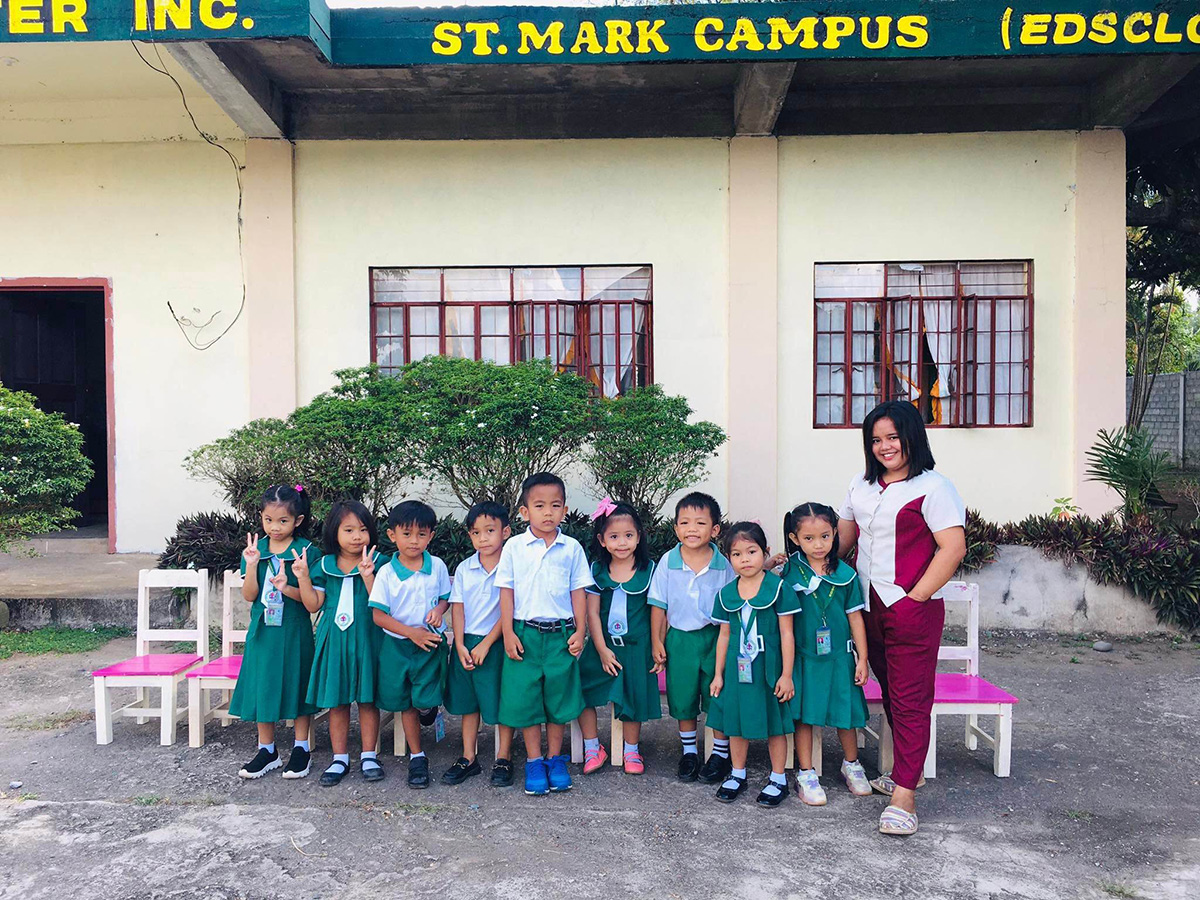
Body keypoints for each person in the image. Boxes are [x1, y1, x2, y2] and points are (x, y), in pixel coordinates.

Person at [838, 400, 966, 835]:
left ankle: (904, 796)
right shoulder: (861, 484)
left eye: (893, 437)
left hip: (911, 608)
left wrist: (915, 598)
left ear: (912, 436)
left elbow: (952, 548)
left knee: (911, 701)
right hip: (867, 608)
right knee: (892, 694)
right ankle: (908, 771)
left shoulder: (934, 487)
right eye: (876, 439)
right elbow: (842, 542)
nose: (884, 447)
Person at [497, 472, 592, 796]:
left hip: (560, 636)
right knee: (525, 701)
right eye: (539, 506)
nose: (548, 512)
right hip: (524, 633)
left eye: (555, 505)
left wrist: (581, 630)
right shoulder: (513, 548)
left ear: (565, 510)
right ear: (524, 512)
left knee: (558, 702)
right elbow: (506, 593)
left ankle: (555, 758)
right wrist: (508, 632)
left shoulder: (572, 548)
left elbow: (578, 591)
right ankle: (534, 761)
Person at [778, 502, 871, 805]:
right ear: (795, 539)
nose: (818, 545)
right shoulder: (789, 572)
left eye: (825, 536)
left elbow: (856, 618)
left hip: (839, 658)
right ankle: (806, 772)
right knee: (804, 715)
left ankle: (852, 764)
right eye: (808, 538)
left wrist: (862, 657)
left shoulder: (845, 574)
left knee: (846, 714)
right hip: (804, 659)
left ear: (835, 535)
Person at [231, 484, 322, 780]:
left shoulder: (307, 551)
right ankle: (267, 749)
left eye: (283, 521)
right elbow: (249, 595)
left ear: (297, 520)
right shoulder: (255, 551)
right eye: (268, 520)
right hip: (263, 629)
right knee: (263, 684)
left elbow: (310, 604)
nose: (274, 527)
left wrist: (291, 585)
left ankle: (300, 748)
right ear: (261, 517)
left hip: (294, 628)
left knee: (297, 681)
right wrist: (253, 564)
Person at [707, 522, 798, 807]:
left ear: (765, 552)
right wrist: (718, 674)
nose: (744, 559)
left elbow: (786, 633)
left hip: (768, 667)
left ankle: (778, 778)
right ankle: (737, 773)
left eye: (751, 551)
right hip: (737, 667)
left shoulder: (778, 588)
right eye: (736, 554)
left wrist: (786, 674)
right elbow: (724, 635)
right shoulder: (726, 594)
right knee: (735, 721)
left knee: (774, 722)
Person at [648, 492, 735, 783]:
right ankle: (689, 753)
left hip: (715, 638)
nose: (692, 529)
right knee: (683, 696)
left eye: (700, 523)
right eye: (684, 522)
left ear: (715, 530)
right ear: (676, 529)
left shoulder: (724, 565)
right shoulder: (667, 562)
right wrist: (657, 642)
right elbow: (659, 605)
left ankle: (720, 754)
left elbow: (734, 603)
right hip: (681, 639)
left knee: (717, 695)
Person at [304, 500, 389, 786]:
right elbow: (314, 604)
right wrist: (302, 577)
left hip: (367, 637)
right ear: (334, 533)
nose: (356, 536)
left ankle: (368, 755)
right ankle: (339, 758)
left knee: (367, 698)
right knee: (337, 701)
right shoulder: (322, 566)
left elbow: (384, 601)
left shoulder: (381, 563)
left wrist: (368, 576)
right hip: (334, 638)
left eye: (363, 529)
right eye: (349, 530)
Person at [368, 500, 452, 789]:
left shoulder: (437, 566)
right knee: (404, 701)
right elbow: (379, 616)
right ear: (392, 535)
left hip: (429, 644)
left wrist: (439, 610)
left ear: (430, 536)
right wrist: (410, 633)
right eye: (407, 534)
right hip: (397, 646)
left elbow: (445, 598)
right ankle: (418, 756)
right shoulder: (387, 573)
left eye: (421, 534)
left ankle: (428, 708)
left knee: (426, 696)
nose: (414, 541)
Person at [577, 499, 660, 775]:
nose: (621, 543)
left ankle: (632, 750)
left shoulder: (649, 570)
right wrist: (600, 649)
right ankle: (592, 747)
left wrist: (658, 643)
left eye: (628, 535)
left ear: (639, 537)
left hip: (637, 648)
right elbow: (591, 614)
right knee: (581, 687)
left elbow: (659, 612)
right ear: (602, 540)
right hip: (602, 646)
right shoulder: (597, 571)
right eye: (613, 536)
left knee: (634, 696)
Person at [442, 501, 516, 788]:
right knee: (468, 703)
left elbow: (508, 610)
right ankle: (468, 757)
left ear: (505, 532)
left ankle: (503, 757)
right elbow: (457, 607)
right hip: (466, 643)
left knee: (502, 700)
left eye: (489, 531)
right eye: (475, 533)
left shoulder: (511, 568)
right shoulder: (464, 568)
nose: (482, 538)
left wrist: (487, 643)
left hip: (497, 642)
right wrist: (458, 644)